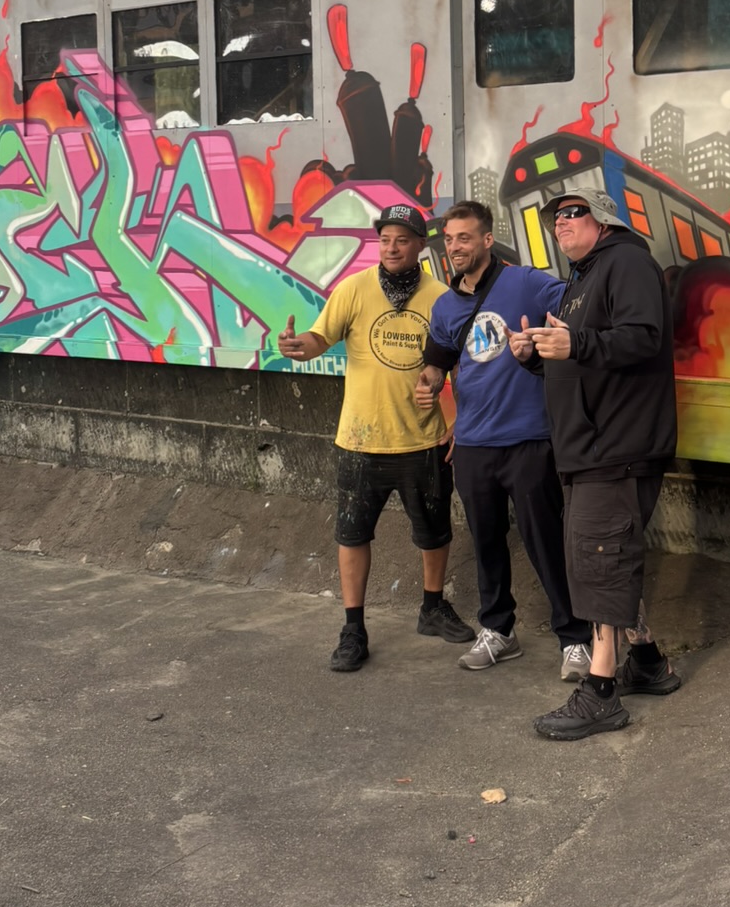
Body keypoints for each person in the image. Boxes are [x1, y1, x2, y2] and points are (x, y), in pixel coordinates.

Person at [509, 186, 683, 740]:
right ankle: (648, 662)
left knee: (601, 561)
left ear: (602, 218)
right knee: (602, 558)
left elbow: (641, 338)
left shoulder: (626, 262)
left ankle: (602, 691)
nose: (559, 223)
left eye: (571, 213)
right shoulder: (581, 280)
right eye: (554, 218)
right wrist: (536, 356)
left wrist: (576, 345)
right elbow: (580, 356)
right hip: (588, 448)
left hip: (617, 447)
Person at [277, 202, 474, 672]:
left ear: (420, 245)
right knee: (352, 534)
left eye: (402, 240)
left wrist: (459, 421)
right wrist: (298, 347)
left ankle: (432, 607)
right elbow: (319, 338)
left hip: (423, 441)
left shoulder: (442, 298)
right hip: (360, 440)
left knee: (434, 532)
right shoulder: (354, 289)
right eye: (385, 239)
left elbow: (461, 365)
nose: (391, 248)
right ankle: (353, 628)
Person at [413, 201, 592, 681]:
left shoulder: (526, 283)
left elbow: (582, 305)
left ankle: (575, 638)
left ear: (487, 240)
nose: (455, 247)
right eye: (449, 239)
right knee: (487, 543)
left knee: (546, 542)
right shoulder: (445, 305)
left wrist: (548, 342)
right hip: (472, 445)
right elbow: (437, 363)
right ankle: (498, 630)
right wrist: (427, 385)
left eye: (464, 238)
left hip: (530, 440)